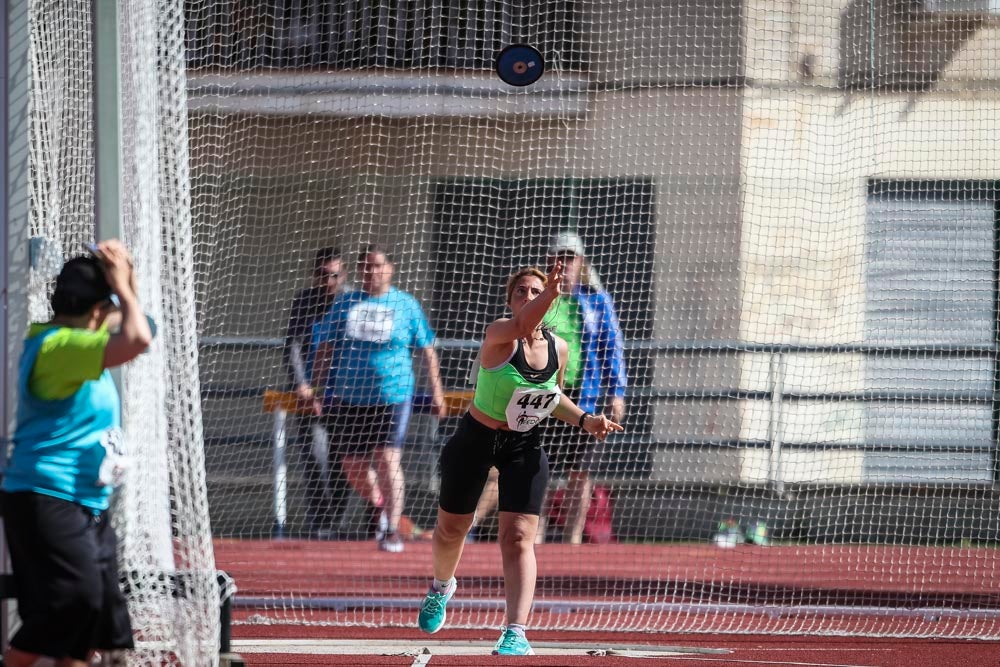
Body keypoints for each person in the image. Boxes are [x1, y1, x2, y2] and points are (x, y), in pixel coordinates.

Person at [416, 262, 623, 656]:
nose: (528, 297)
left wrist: (585, 419)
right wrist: (550, 292)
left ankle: (516, 630)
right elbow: (522, 324)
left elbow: (551, 396)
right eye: (521, 292)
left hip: (524, 445)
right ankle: (442, 586)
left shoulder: (559, 349)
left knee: (517, 537)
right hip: (475, 439)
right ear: (511, 300)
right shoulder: (499, 334)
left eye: (536, 291)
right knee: (451, 530)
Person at [0, 240, 153, 667]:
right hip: (48, 495)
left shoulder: (85, 339)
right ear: (100, 310)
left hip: (88, 501)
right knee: (72, 600)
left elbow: (144, 325)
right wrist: (123, 284)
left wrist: (127, 282)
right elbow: (140, 336)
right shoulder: (59, 346)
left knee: (91, 621)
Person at [469, 230, 628, 544]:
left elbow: (612, 348)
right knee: (532, 466)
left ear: (580, 262)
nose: (563, 263)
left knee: (579, 474)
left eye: (569, 258)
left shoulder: (596, 301)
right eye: (557, 257)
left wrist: (617, 392)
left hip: (585, 397)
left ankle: (571, 542)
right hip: (540, 397)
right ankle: (533, 536)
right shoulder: (542, 300)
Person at [311, 244, 446, 553]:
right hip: (349, 396)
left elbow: (427, 350)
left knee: (388, 460)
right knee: (351, 465)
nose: (371, 272)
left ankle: (391, 530)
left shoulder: (406, 305)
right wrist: (317, 388)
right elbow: (325, 348)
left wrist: (436, 391)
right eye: (366, 267)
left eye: (377, 266)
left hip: (393, 395)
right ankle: (383, 504)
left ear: (390, 268)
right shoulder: (345, 303)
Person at [283, 247, 352, 539]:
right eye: (323, 275)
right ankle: (320, 523)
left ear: (344, 274)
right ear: (315, 275)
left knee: (346, 460)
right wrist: (301, 383)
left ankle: (337, 521)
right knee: (315, 455)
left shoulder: (352, 301)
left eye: (334, 275)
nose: (329, 281)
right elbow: (293, 345)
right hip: (311, 394)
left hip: (347, 394)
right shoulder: (305, 301)